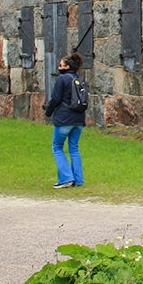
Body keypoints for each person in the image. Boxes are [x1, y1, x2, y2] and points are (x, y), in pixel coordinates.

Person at [44, 52, 85, 188]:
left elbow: (55, 98)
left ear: (67, 67)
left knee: (57, 147)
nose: (59, 67)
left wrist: (48, 112)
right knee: (74, 148)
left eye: (61, 65)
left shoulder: (62, 79)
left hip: (64, 118)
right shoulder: (80, 79)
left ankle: (66, 178)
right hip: (79, 119)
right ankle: (78, 179)